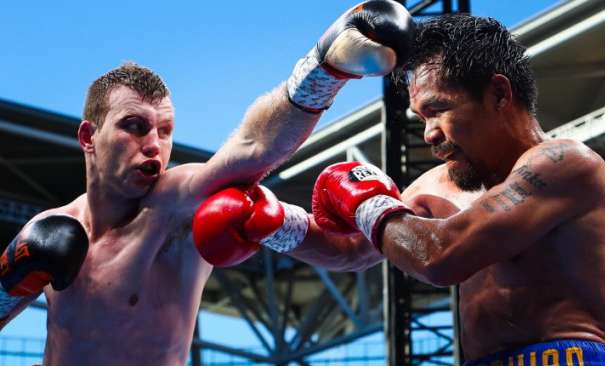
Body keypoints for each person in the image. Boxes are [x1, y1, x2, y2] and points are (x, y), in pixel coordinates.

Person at [0, 1, 415, 365]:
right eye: (134, 126)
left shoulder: (174, 205)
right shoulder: (51, 228)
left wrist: (325, 67)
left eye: (164, 130)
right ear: (89, 137)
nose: (153, 145)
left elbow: (255, 145)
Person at [205, 14, 605, 365]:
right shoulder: (439, 184)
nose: (429, 134)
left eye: (438, 110)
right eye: (421, 117)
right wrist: (273, 222)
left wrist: (366, 202)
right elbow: (352, 250)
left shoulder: (566, 165)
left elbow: (440, 257)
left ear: (498, 93)